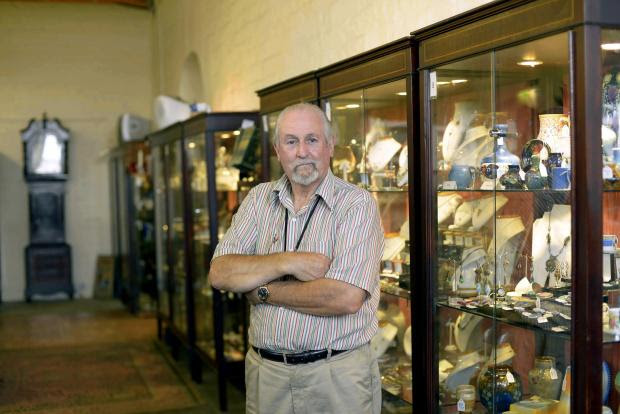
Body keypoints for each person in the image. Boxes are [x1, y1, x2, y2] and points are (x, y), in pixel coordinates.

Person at [209, 103, 383, 414]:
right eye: (291, 141)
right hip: (267, 375)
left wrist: (264, 290)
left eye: (312, 140)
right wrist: (288, 262)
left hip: (336, 376)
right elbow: (220, 273)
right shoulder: (258, 200)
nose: (302, 152)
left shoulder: (356, 204)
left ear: (330, 145)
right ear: (278, 150)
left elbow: (345, 297)